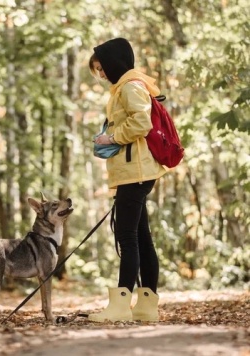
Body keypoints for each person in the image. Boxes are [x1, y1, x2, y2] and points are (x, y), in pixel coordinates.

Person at [88, 38, 168, 323]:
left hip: (136, 172)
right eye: (97, 70)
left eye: (101, 68)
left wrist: (111, 137)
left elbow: (141, 123)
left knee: (127, 237)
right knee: (142, 238)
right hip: (135, 171)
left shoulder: (131, 87)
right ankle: (147, 307)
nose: (101, 74)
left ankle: (120, 304)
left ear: (113, 62)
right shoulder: (127, 87)